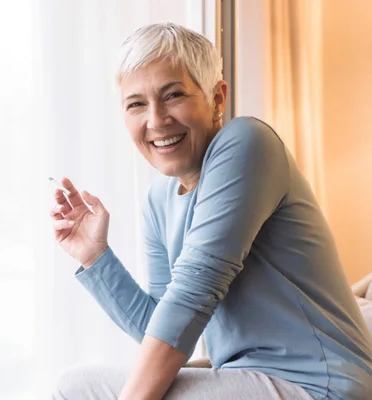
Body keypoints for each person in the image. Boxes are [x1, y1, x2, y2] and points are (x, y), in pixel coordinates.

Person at [48, 22, 372, 400]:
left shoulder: (247, 144)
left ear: (217, 99)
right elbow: (163, 326)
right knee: (73, 384)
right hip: (248, 378)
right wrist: (95, 256)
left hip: (319, 385)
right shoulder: (159, 199)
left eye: (173, 95)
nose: (156, 120)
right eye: (136, 103)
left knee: (78, 391)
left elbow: (193, 293)